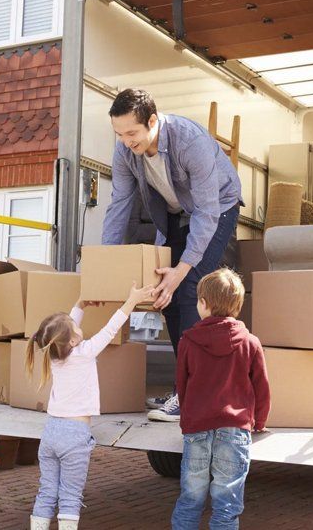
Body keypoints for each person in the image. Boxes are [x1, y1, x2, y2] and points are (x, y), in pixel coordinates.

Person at [102, 88, 242, 422]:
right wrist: (102, 263)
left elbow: (207, 211)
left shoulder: (189, 140)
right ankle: (185, 385)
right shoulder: (124, 150)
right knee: (164, 291)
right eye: (119, 134)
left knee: (189, 286)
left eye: (132, 133)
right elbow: (119, 204)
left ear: (152, 121)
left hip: (218, 208)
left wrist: (182, 269)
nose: (126, 141)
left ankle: (192, 390)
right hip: (178, 214)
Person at [28, 283, 155, 530]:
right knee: (70, 497)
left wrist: (80, 304)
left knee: (46, 492)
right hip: (74, 436)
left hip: (51, 433)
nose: (78, 325)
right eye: (75, 326)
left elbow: (62, 330)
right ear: (73, 340)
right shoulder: (84, 352)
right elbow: (110, 329)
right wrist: (132, 300)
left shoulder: (53, 356)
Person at [171, 268, 270, 530]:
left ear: (203, 303)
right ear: (237, 305)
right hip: (235, 430)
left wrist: (186, 417)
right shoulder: (250, 342)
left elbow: (182, 384)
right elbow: (261, 387)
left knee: (190, 499)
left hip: (197, 427)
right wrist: (259, 421)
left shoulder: (188, 341)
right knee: (227, 504)